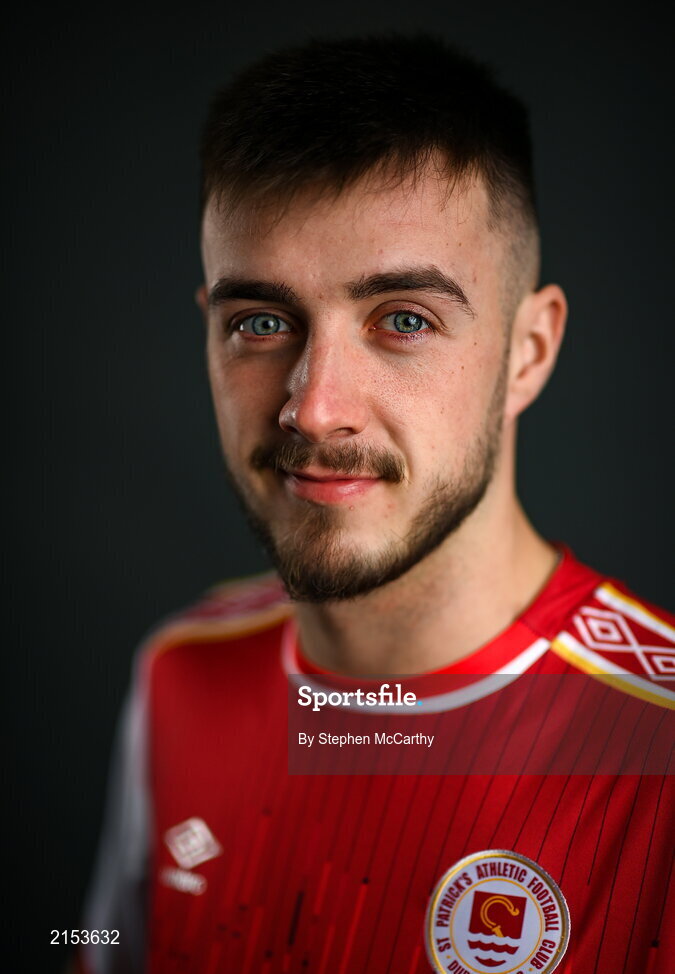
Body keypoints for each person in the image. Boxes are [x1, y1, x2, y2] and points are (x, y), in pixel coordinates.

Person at [78, 35, 674, 974]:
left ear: (528, 351)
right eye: (260, 323)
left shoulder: (658, 750)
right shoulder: (177, 677)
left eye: (404, 319)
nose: (312, 407)